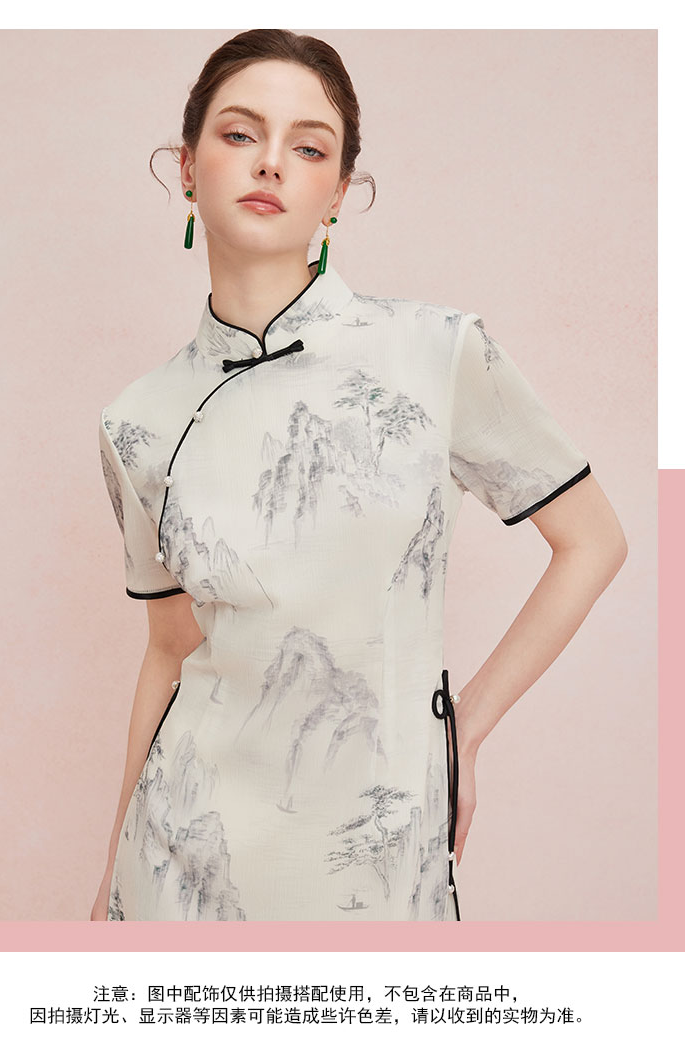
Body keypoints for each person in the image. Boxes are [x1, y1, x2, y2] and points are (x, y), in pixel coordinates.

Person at [90, 29, 627, 922]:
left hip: (376, 864)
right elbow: (170, 649)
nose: (271, 162)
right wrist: (107, 878)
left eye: (309, 148)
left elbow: (593, 541)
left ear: (338, 193)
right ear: (186, 167)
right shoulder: (136, 420)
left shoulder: (434, 351)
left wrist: (461, 729)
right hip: (178, 868)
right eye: (239, 134)